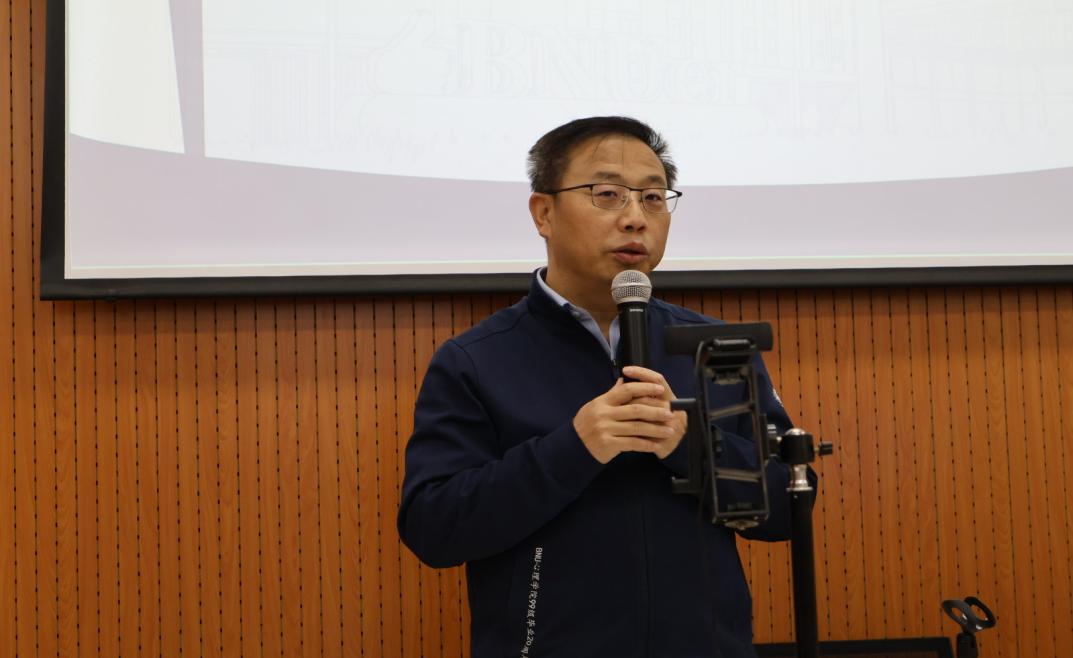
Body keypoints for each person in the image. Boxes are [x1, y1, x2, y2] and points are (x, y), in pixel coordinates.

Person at [398, 116, 806, 658]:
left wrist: (689, 445)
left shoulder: (714, 349)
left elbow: (788, 510)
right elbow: (434, 529)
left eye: (653, 198)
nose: (635, 217)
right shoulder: (475, 360)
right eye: (608, 194)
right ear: (543, 213)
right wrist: (574, 447)